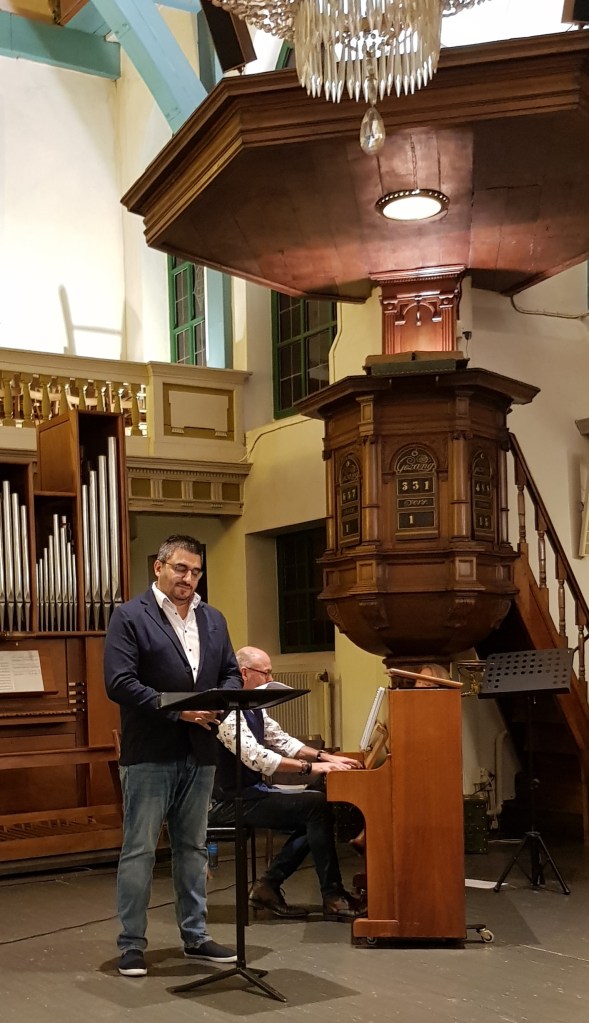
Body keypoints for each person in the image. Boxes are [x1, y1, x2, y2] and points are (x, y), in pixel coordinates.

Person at [104, 534, 243, 977]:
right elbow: (119, 682)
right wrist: (179, 711)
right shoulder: (130, 616)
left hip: (201, 750)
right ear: (159, 567)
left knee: (193, 848)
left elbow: (232, 673)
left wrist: (220, 702)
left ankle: (196, 937)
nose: (188, 578)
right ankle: (131, 944)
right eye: (181, 568)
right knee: (140, 850)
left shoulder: (213, 618)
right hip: (151, 750)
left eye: (196, 571)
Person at [209, 645, 364, 921]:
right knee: (316, 807)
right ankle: (331, 896)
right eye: (265, 673)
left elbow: (282, 740)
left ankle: (271, 887)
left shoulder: (253, 706)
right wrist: (311, 767)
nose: (270, 679)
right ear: (244, 673)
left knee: (317, 808)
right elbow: (258, 759)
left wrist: (325, 756)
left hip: (250, 793)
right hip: (228, 801)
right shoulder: (226, 711)